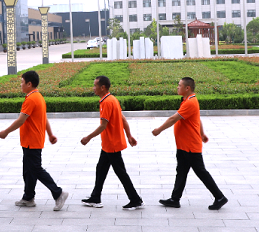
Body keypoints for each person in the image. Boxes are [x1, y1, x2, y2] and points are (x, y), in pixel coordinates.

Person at [152, 77, 228, 210]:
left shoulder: (190, 102)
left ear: (187, 88)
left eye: (179, 85)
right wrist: (202, 134)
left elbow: (173, 119)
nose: (177, 87)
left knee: (201, 172)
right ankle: (175, 199)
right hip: (183, 146)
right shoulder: (187, 100)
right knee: (181, 171)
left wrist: (159, 130)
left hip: (190, 146)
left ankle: (220, 197)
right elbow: (197, 119)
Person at [0, 70, 69, 211]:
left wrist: (5, 132)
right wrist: (50, 134)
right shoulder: (38, 97)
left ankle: (58, 193)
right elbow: (44, 118)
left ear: (29, 84)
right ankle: (28, 197)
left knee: (35, 169)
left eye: (22, 82)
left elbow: (21, 120)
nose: (20, 84)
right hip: (32, 140)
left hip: (32, 141)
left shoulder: (31, 99)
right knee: (28, 170)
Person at [80, 76, 143, 210]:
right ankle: (95, 197)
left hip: (112, 144)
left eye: (95, 85)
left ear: (102, 87)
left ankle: (135, 199)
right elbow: (123, 119)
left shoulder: (107, 102)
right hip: (109, 144)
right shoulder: (112, 99)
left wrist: (88, 137)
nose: (93, 88)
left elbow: (103, 125)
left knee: (120, 172)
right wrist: (129, 136)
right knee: (101, 169)